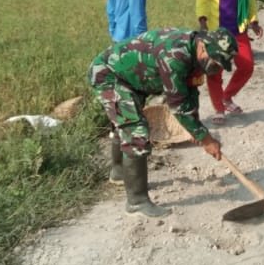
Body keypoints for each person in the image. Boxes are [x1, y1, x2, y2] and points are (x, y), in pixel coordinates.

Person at [87, 27, 238, 218]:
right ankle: (137, 201)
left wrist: (194, 127)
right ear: (203, 47)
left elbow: (190, 92)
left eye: (220, 64)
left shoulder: (194, 55)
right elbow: (178, 105)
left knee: (126, 125)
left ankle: (119, 173)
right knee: (136, 132)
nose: (216, 67)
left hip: (133, 80)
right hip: (110, 76)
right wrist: (206, 138)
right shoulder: (175, 55)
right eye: (215, 61)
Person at [196, 0, 264, 125]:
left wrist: (253, 21)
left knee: (247, 66)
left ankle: (227, 97)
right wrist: (203, 21)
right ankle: (219, 108)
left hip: (238, 28)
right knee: (214, 71)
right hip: (218, 31)